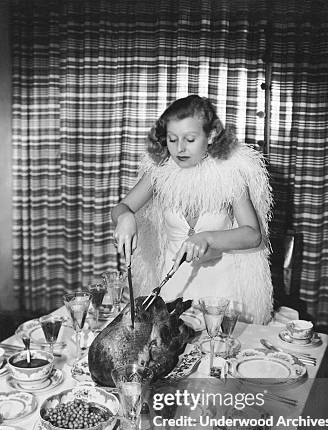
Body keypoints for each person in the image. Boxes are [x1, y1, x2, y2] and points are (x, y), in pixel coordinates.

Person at [111, 94, 274, 324]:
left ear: (211, 135)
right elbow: (121, 207)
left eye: (190, 139)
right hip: (172, 291)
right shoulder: (160, 171)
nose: (180, 148)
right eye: (172, 139)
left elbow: (253, 234)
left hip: (220, 295)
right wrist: (125, 216)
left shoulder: (230, 173)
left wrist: (207, 238)